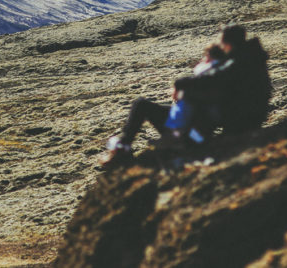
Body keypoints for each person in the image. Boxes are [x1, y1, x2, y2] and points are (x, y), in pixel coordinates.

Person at [100, 24, 271, 166]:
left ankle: (128, 148)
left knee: (146, 105)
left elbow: (211, 81)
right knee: (143, 104)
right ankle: (125, 146)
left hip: (199, 133)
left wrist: (180, 85)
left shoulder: (236, 65)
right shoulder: (247, 60)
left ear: (227, 44)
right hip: (221, 124)